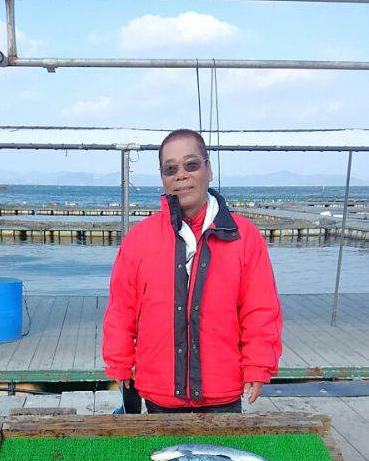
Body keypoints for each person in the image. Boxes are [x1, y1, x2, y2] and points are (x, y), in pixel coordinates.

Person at [103, 128, 282, 414]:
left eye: (191, 165)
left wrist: (258, 364)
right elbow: (121, 308)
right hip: (159, 393)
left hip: (222, 394)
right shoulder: (139, 238)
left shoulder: (244, 236)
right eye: (170, 169)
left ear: (209, 169)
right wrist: (119, 362)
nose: (181, 176)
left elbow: (260, 309)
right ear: (163, 178)